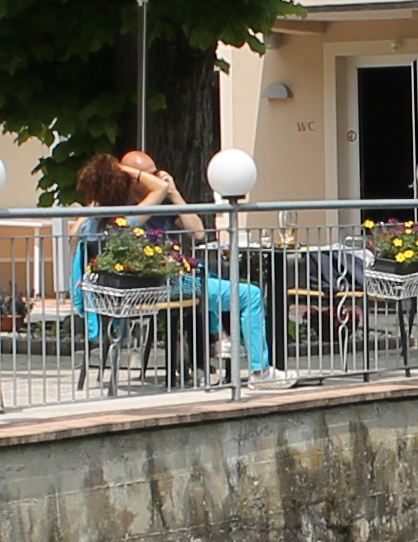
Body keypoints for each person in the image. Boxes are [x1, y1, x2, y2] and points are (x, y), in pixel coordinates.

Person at [69, 148, 282, 381]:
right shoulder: (128, 217)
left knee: (204, 278)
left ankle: (219, 338)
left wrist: (172, 193)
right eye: (149, 174)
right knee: (249, 294)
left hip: (133, 290)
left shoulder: (94, 222)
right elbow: (159, 190)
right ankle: (259, 370)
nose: (158, 177)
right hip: (164, 287)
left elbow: (198, 232)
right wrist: (125, 171)